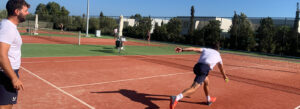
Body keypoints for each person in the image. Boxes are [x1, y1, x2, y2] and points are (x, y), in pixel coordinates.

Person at [170, 43, 229, 109]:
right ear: (218, 49)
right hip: (204, 69)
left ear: (211, 47)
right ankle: (177, 98)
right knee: (194, 88)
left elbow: (193, 49)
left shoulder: (206, 49)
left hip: (196, 67)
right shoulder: (218, 55)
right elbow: (221, 69)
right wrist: (224, 76)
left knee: (206, 82)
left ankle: (208, 99)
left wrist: (182, 50)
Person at [0, 0, 30, 109]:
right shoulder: (8, 28)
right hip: (6, 73)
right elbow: (1, 55)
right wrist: (13, 78)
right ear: (17, 11)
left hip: (6, 72)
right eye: (25, 11)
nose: (28, 13)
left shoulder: (7, 25)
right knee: (5, 106)